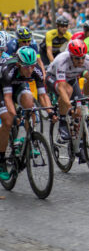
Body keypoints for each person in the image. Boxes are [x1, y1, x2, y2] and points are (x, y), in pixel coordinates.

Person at [0, 47, 52, 181]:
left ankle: (30, 140)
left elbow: (42, 95)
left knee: (30, 104)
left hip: (18, 86)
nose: (30, 70)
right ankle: (1, 161)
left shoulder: (36, 70)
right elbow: (7, 98)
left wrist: (50, 112)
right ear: (18, 64)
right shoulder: (8, 70)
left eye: (32, 66)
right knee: (7, 121)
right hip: (2, 89)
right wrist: (14, 115)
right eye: (26, 67)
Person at [46, 40, 89, 142]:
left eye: (83, 57)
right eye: (77, 58)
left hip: (71, 79)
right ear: (71, 56)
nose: (80, 61)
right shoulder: (62, 60)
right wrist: (69, 107)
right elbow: (61, 87)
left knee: (80, 109)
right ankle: (62, 122)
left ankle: (78, 144)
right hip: (53, 77)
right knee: (68, 90)